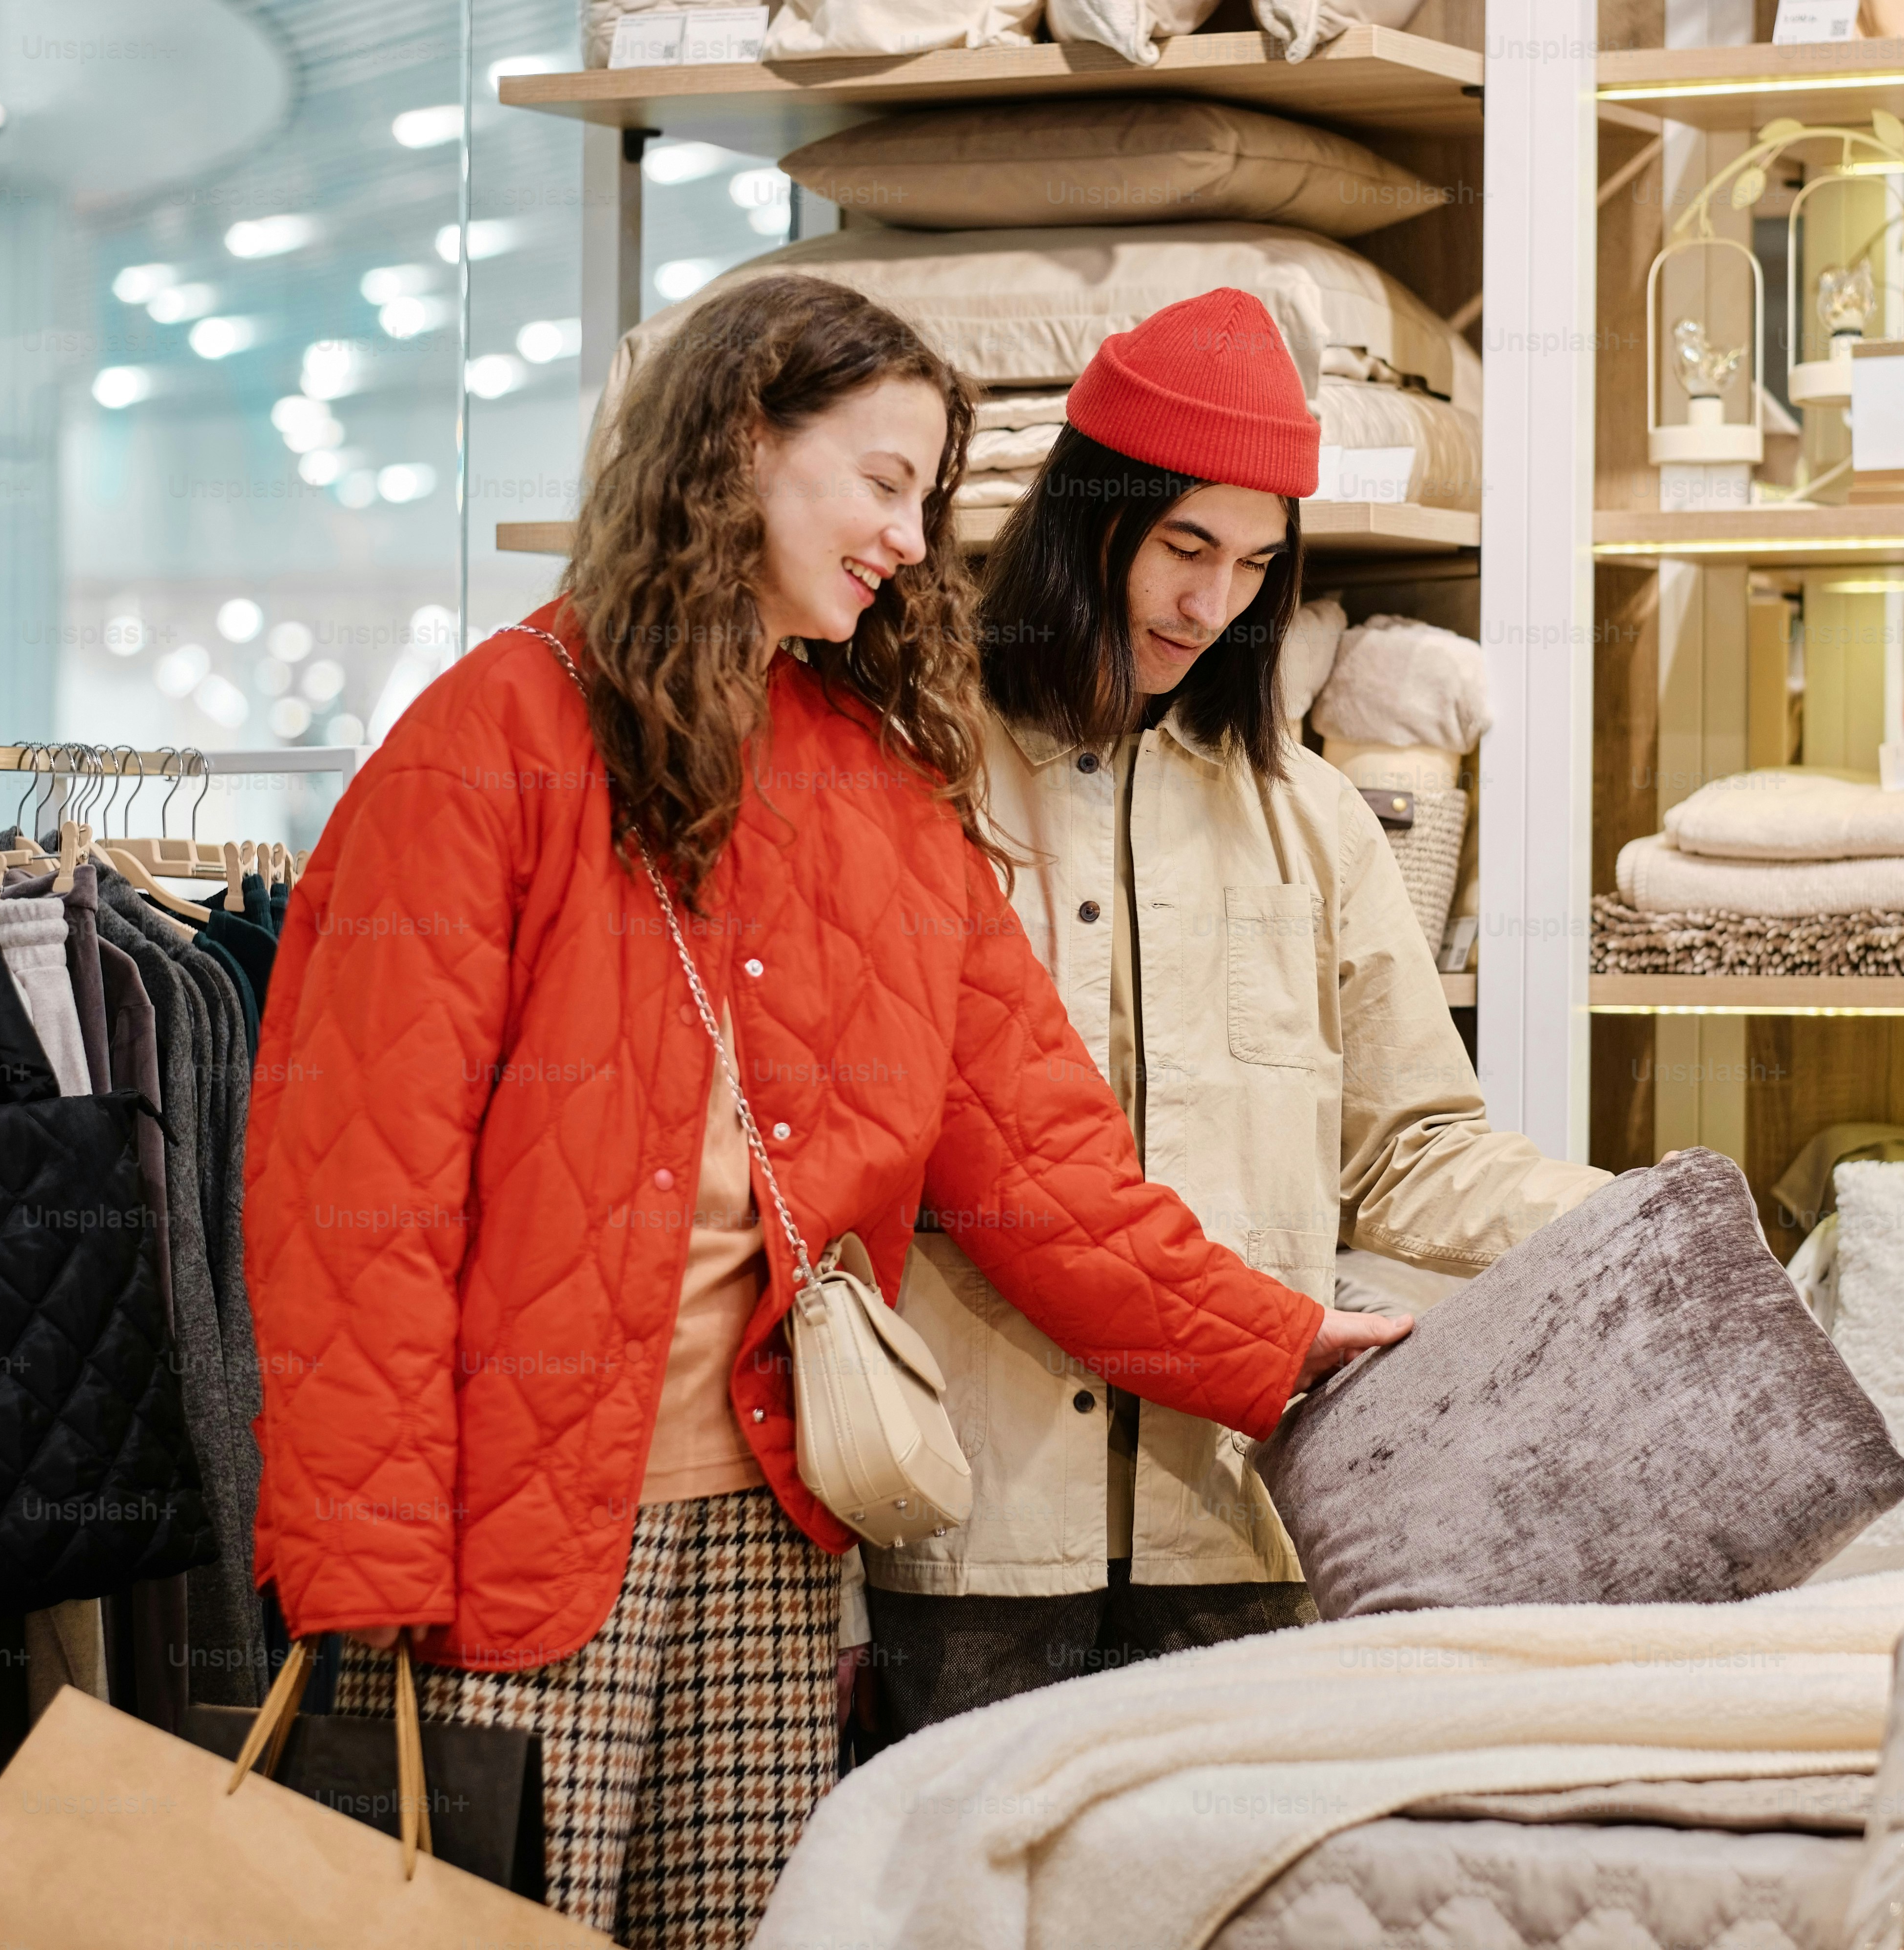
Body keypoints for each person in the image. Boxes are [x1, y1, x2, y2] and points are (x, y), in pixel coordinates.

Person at [238, 274, 1404, 1949]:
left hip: (779, 1536)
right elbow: (354, 1209)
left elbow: (1046, 1168)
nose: (912, 539)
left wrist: (1281, 1339)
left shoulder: (875, 777)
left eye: (929, 497)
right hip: (515, 1548)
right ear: (736, 449)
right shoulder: (483, 743)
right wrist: (366, 1589)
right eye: (880, 482)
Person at [858, 289, 1612, 1730]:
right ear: (1089, 525)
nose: (1214, 607)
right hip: (974, 1518)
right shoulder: (919, 776)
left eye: (1258, 564)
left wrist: (1621, 1221)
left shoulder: (1316, 821)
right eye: (1184, 547)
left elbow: (1410, 1149)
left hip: (1243, 1514)